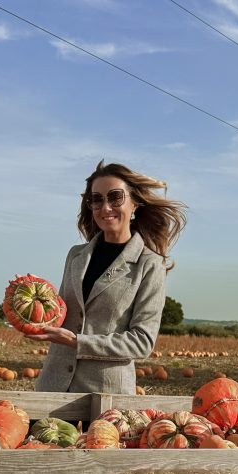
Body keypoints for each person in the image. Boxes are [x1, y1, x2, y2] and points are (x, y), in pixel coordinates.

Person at [30, 160, 185, 394]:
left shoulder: (149, 264)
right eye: (97, 199)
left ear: (135, 204)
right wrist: (31, 312)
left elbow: (142, 341)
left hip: (107, 393)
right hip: (54, 386)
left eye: (115, 197)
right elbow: (60, 313)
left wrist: (78, 342)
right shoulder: (76, 255)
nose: (105, 207)